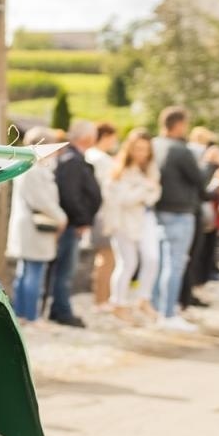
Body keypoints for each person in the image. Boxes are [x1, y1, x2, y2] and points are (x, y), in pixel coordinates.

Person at [152, 106, 208, 331]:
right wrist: (210, 165)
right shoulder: (181, 150)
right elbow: (199, 180)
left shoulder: (154, 145)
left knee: (159, 263)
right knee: (174, 264)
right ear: (178, 124)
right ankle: (168, 313)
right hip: (180, 212)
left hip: (157, 210)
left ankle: (157, 307)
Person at [6, 127, 67, 323]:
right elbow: (43, 201)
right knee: (34, 272)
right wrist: (61, 217)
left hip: (27, 226)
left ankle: (21, 313)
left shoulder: (25, 165)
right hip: (35, 226)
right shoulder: (35, 170)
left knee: (24, 271)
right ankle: (31, 315)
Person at [46, 119, 102, 328]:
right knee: (65, 271)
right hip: (71, 225)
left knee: (65, 270)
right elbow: (70, 195)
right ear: (87, 137)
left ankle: (58, 309)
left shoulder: (73, 158)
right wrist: (81, 219)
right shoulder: (72, 160)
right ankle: (63, 311)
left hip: (73, 223)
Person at [103, 128, 161, 322]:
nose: (141, 153)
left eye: (145, 149)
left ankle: (143, 299)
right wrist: (145, 187)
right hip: (123, 222)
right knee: (128, 263)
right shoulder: (120, 169)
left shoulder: (151, 168)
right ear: (130, 148)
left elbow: (154, 195)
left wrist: (144, 190)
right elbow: (125, 199)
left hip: (144, 219)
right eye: (137, 148)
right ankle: (118, 302)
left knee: (152, 258)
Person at [181, 126, 219, 304]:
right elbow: (202, 187)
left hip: (200, 211)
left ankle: (193, 291)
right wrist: (214, 175)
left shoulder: (194, 153)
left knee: (197, 254)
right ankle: (189, 294)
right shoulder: (196, 154)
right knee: (193, 256)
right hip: (195, 210)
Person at [85, 121, 119, 309]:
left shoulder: (91, 155)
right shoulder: (102, 159)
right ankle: (101, 299)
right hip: (104, 213)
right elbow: (109, 189)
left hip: (98, 212)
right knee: (107, 257)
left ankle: (102, 297)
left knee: (106, 256)